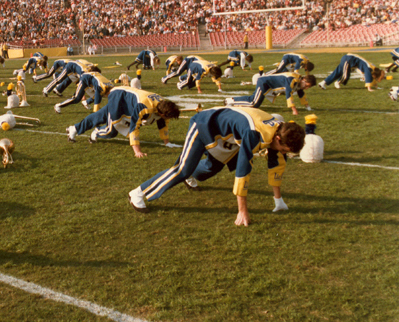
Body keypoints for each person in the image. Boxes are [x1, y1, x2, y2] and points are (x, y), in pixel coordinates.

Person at [128, 107, 306, 226]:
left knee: (211, 169)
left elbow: (276, 165)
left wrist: (279, 201)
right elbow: (243, 173)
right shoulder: (255, 134)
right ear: (278, 140)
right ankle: (139, 193)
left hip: (227, 136)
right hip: (204, 124)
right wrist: (242, 212)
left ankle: (190, 174)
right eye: (284, 149)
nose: (283, 152)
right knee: (182, 169)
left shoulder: (279, 130)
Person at [66, 87, 180, 158]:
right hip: (118, 98)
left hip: (126, 98)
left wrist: (167, 143)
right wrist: (137, 151)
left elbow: (163, 124)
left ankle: (74, 128)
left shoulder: (162, 105)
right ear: (162, 113)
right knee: (111, 131)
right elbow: (134, 127)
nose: (167, 119)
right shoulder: (144, 107)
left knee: (99, 116)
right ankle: (96, 132)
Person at [226, 73, 316, 115]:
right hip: (264, 82)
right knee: (254, 103)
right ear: (304, 80)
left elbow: (301, 93)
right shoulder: (292, 80)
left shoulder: (299, 80)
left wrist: (308, 107)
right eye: (307, 85)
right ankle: (230, 101)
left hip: (269, 85)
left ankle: (234, 101)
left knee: (254, 101)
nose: (306, 88)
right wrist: (294, 110)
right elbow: (289, 95)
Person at [319, 53, 384, 92]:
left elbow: (371, 77)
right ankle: (338, 82)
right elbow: (368, 76)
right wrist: (369, 88)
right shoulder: (369, 68)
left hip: (349, 59)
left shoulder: (372, 68)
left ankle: (322, 83)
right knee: (346, 76)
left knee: (337, 73)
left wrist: (376, 86)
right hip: (349, 59)